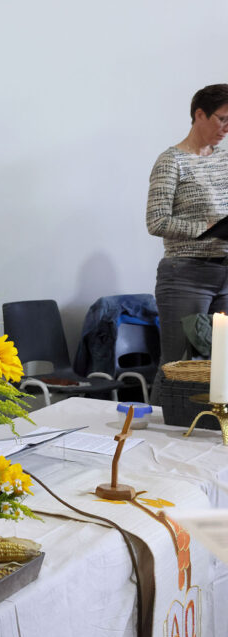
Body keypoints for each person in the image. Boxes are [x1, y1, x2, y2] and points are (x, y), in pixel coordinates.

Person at [147, 84, 228, 402]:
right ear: (199, 114)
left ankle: (209, 433)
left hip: (224, 274)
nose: (226, 128)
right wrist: (205, 228)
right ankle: (152, 436)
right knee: (179, 365)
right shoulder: (171, 162)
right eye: (222, 119)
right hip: (186, 277)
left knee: (219, 364)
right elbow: (156, 221)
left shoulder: (224, 161)